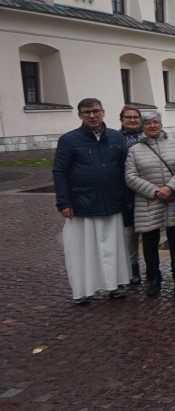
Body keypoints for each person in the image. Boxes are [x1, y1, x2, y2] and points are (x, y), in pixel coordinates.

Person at [53, 98, 130, 303]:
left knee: (113, 248)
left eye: (96, 111)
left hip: (111, 201)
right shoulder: (69, 140)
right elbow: (60, 172)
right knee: (83, 251)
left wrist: (126, 198)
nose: (92, 115)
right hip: (82, 203)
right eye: (87, 112)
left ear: (103, 112)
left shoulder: (116, 137)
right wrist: (64, 202)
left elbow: (125, 169)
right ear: (80, 115)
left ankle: (116, 285)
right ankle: (84, 289)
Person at [124, 111, 175, 297]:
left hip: (173, 199)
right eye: (148, 123)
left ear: (161, 124)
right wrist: (155, 191)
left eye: (155, 122)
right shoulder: (135, 150)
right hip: (148, 202)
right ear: (142, 127)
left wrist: (170, 188)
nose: (152, 126)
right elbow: (130, 176)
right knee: (149, 242)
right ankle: (154, 278)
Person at [119, 105, 142, 285]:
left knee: (150, 234)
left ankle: (152, 268)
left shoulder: (147, 137)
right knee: (129, 232)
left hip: (148, 192)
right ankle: (132, 266)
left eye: (135, 117)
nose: (133, 120)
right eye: (129, 117)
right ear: (122, 120)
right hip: (126, 193)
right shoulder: (115, 139)